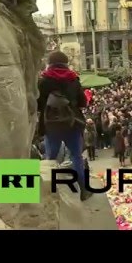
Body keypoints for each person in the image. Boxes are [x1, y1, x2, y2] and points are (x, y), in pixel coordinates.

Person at [37, 51, 92, 201]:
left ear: (50, 63)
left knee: (51, 158)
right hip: (72, 124)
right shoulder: (73, 80)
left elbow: (37, 104)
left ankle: (50, 193)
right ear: (66, 63)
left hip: (51, 126)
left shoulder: (43, 81)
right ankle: (84, 190)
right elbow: (83, 102)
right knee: (76, 156)